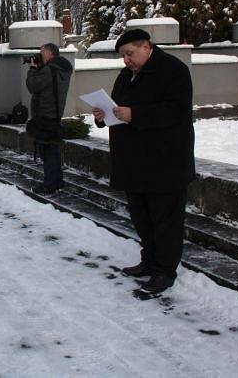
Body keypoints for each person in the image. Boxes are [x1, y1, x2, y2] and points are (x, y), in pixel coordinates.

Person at [92, 28, 195, 295]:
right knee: (142, 218)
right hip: (134, 163)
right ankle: (149, 261)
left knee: (165, 220)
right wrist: (103, 114)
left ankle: (164, 270)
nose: (126, 60)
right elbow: (118, 106)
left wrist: (135, 115)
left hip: (165, 162)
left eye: (130, 54)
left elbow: (176, 111)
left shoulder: (173, 70)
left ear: (147, 47)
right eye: (123, 56)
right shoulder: (127, 75)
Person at [25, 43, 74, 194]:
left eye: (42, 52)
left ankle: (50, 184)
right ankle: (57, 181)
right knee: (53, 149)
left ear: (51, 53)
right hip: (55, 114)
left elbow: (33, 86)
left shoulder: (50, 70)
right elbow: (47, 85)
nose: (40, 55)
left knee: (47, 150)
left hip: (45, 114)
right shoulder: (62, 69)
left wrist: (33, 69)